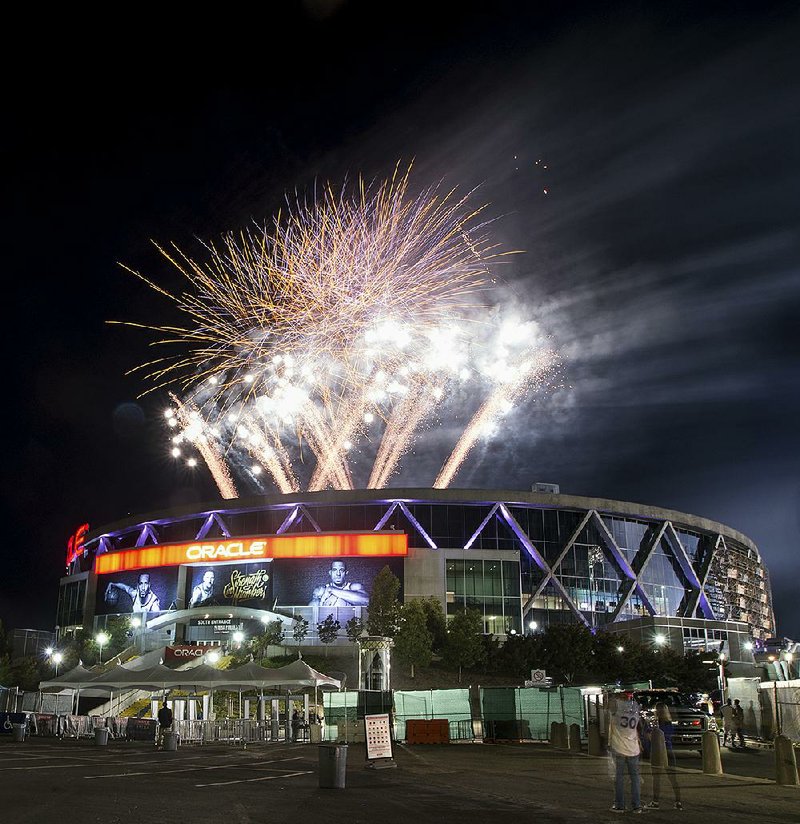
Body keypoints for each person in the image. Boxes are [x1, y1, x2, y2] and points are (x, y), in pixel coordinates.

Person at [608, 691, 645, 814]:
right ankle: (637, 805)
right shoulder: (635, 710)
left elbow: (608, 708)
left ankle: (620, 804)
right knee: (634, 778)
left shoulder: (616, 709)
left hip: (619, 746)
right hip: (633, 747)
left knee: (619, 777)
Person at [645, 702, 682, 810]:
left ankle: (656, 801)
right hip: (669, 750)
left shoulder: (654, 725)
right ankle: (678, 802)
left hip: (658, 751)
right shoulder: (669, 724)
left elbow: (649, 737)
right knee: (673, 779)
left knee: (656, 778)